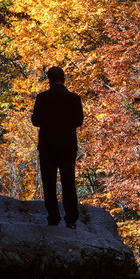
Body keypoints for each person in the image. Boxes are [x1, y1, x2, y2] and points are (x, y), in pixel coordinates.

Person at [31, 66, 83, 228]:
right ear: (64, 78)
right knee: (68, 182)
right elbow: (79, 121)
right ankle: (71, 219)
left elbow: (36, 122)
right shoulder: (74, 98)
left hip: (48, 146)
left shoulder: (42, 98)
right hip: (68, 146)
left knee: (49, 182)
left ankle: (53, 217)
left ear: (49, 79)